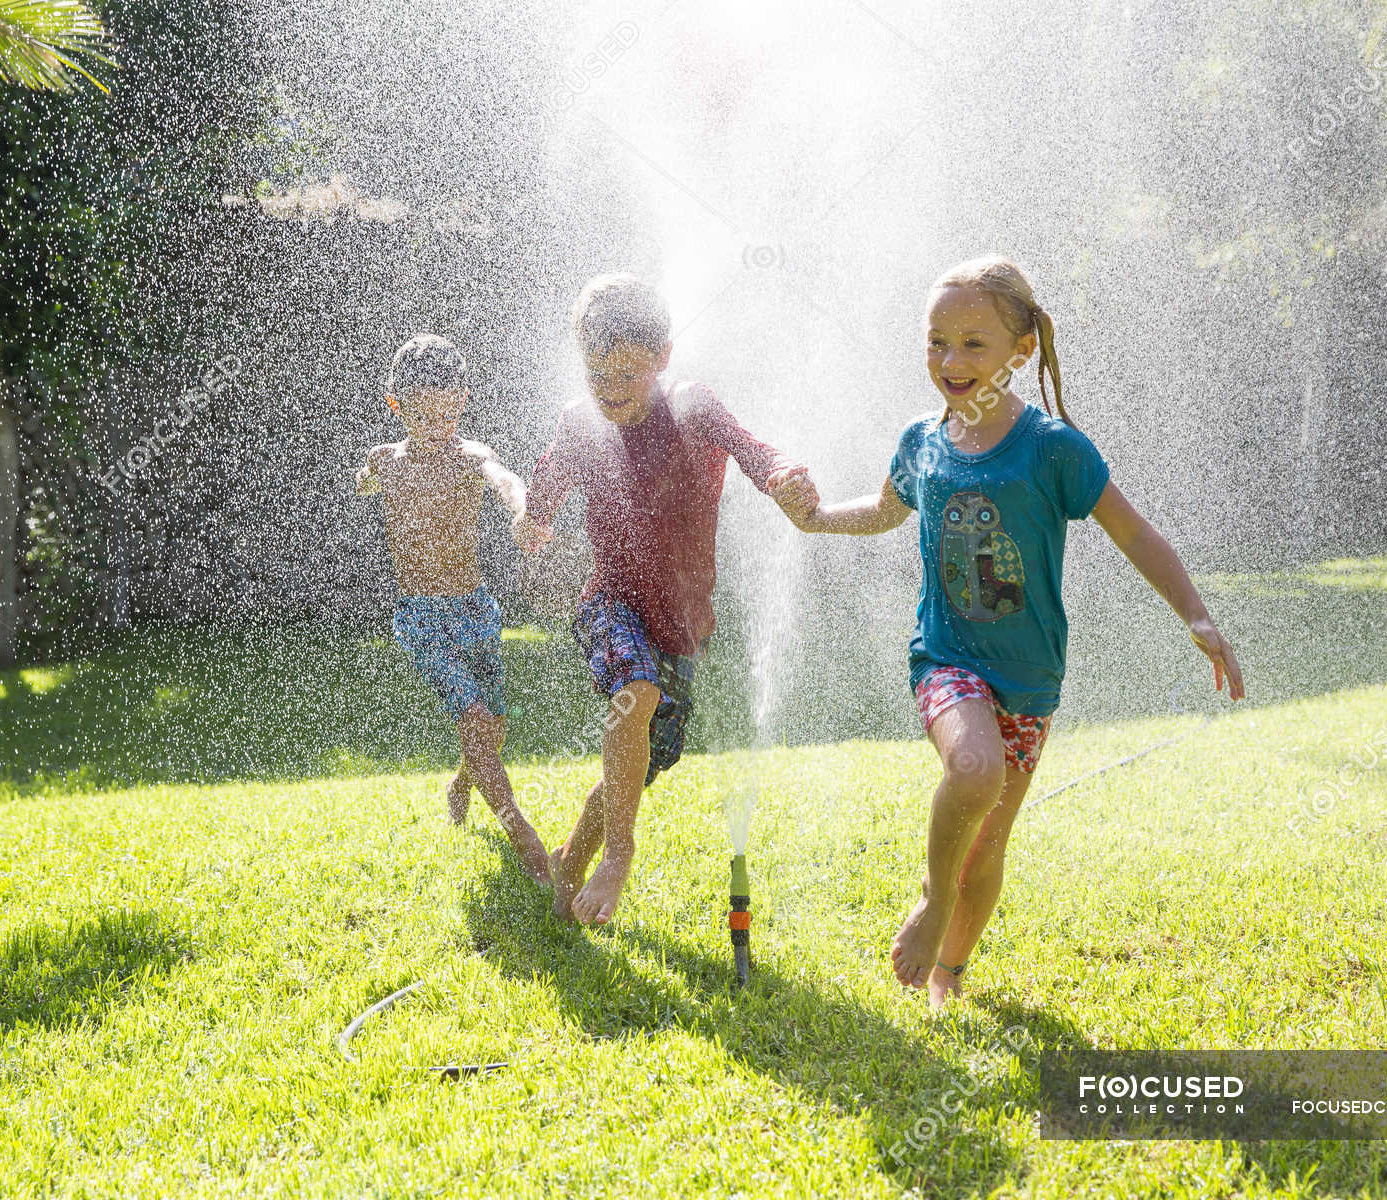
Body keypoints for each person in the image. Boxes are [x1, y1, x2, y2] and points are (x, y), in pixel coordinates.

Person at [786, 255, 1245, 1007]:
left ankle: (950, 974)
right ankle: (934, 905)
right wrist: (814, 519)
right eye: (937, 342)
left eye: (973, 343)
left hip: (1029, 675)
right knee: (974, 771)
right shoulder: (921, 441)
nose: (951, 361)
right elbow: (883, 511)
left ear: (1020, 351)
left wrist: (1195, 613)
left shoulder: (1053, 448)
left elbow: (1134, 534)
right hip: (945, 659)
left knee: (989, 842)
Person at [514, 273, 818, 925]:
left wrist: (783, 473)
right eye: (599, 373)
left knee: (640, 763)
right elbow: (542, 494)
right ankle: (618, 857)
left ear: (664, 357)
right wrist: (531, 518)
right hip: (610, 603)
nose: (614, 388)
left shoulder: (691, 407)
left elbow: (753, 451)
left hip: (684, 627)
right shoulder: (579, 424)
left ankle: (568, 869)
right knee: (637, 692)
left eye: (630, 371)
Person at [356, 333, 552, 888]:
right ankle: (527, 843)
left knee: (494, 728)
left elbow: (507, 481)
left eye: (445, 411)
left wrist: (523, 514)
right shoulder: (386, 462)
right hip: (420, 616)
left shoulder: (472, 457)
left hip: (476, 609)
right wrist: (367, 480)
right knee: (472, 719)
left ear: (462, 401)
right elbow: (364, 481)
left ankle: (462, 783)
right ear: (396, 406)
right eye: (420, 413)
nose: (435, 423)